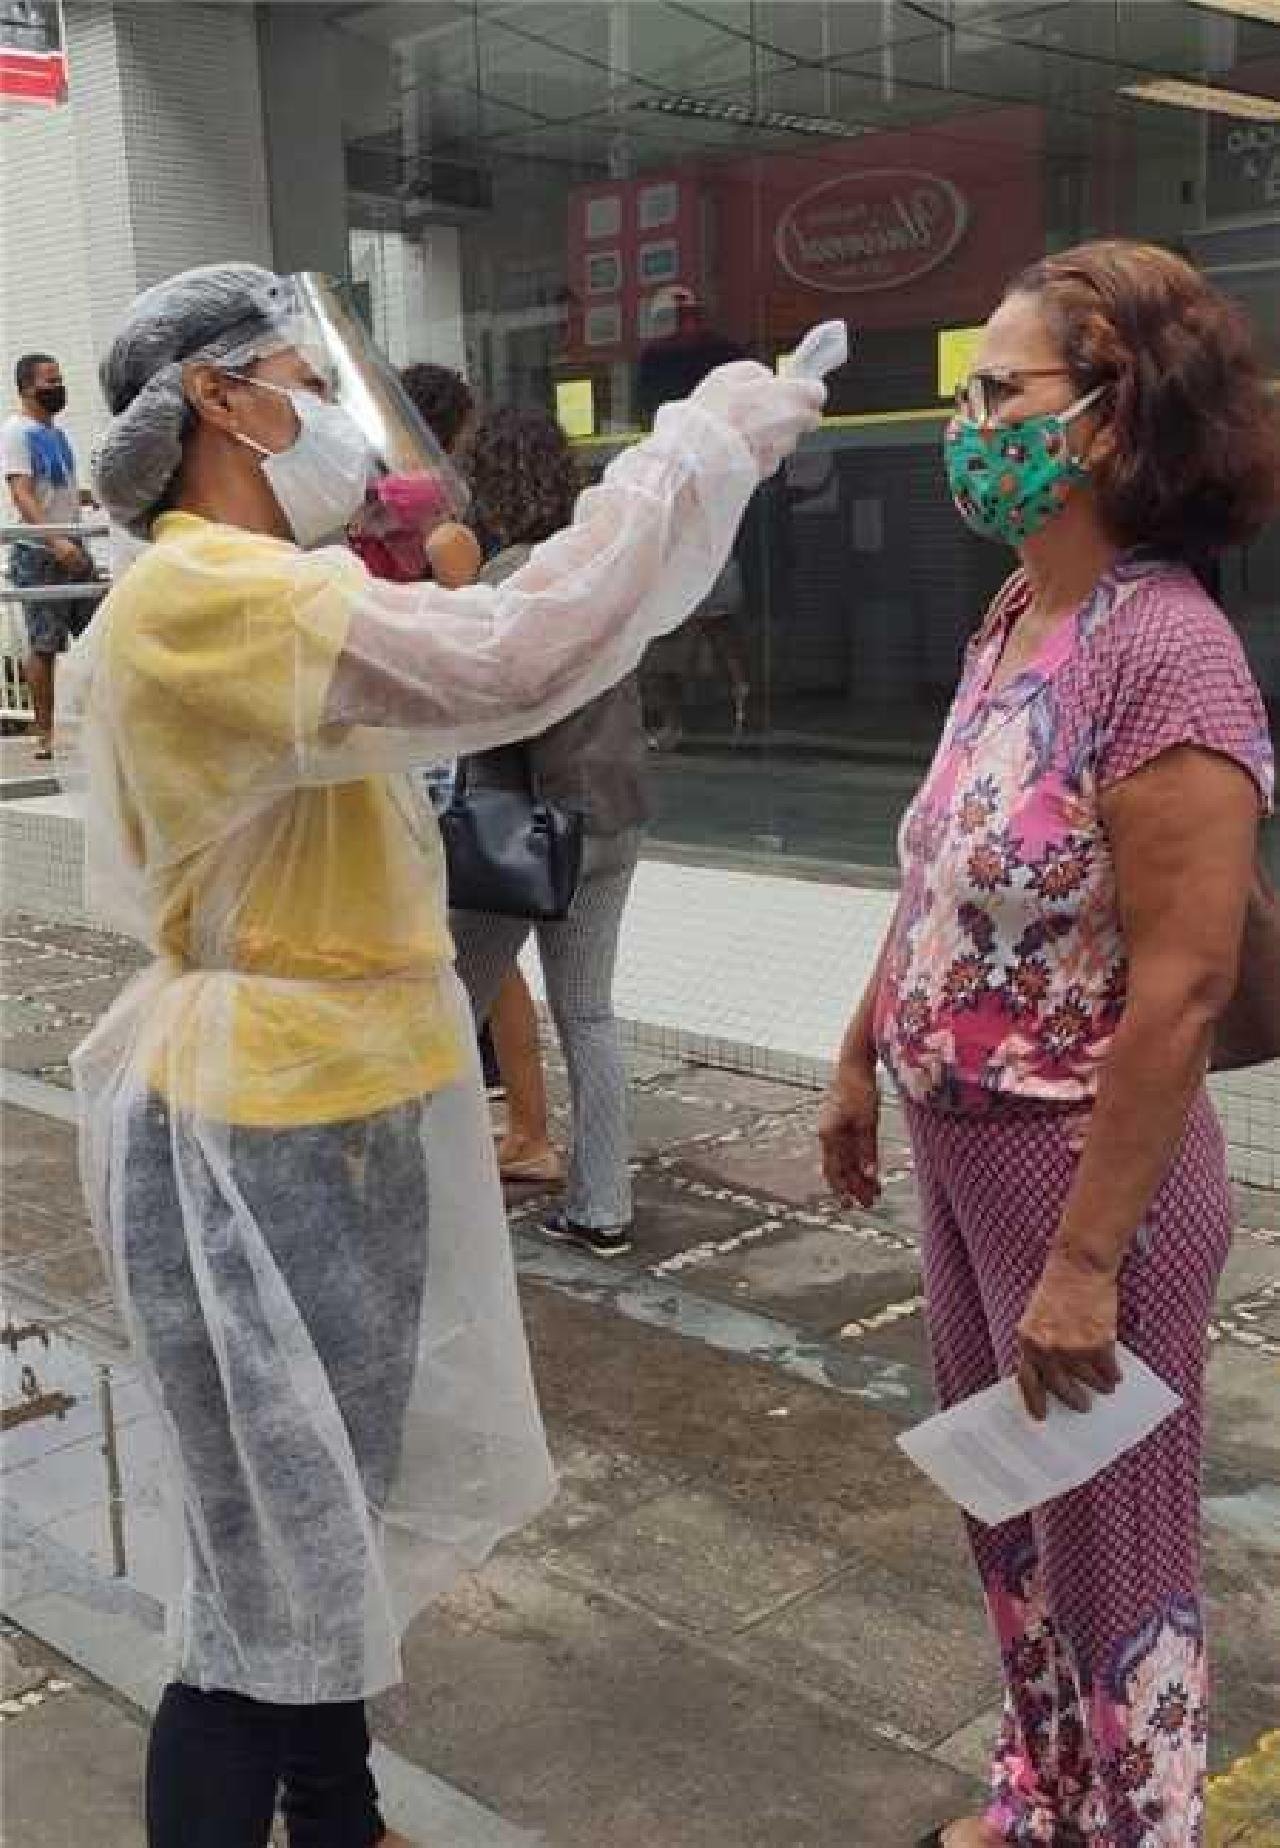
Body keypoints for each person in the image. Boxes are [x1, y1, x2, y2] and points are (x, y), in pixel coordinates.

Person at [65, 260, 823, 1847]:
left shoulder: (272, 584)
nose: (331, 412)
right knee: (256, 1574)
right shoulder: (208, 591)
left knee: (315, 1524)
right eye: (296, 374)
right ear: (216, 397)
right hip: (255, 1124)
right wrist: (695, 453)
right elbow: (513, 656)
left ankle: (342, 1818)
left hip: (330, 1100)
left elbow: (470, 646)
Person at [819, 241, 1277, 1848]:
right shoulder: (1020, 608)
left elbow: (1187, 984)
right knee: (1009, 1511)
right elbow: (948, 853)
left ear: (1104, 417)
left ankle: (1136, 1823)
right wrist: (863, 1038)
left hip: (1092, 1186)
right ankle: (1043, 1795)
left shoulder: (1167, 653)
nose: (966, 420)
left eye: (995, 390)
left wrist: (1087, 1263)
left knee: (1118, 1553)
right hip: (963, 1156)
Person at [449, 408, 653, 1242]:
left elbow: (492, 711)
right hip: (613, 813)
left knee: (444, 1006)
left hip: (522, 826)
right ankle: (604, 1207)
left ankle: (421, 1189)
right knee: (589, 1015)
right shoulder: (600, 567)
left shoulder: (506, 579)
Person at [2, 352, 100, 756]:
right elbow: (22, 494)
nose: (58, 387)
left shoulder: (56, 433)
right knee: (46, 645)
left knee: (99, 633)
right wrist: (55, 540)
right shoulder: (17, 432)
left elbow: (53, 489)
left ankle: (103, 726)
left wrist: (90, 497)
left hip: (74, 546)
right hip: (41, 551)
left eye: (59, 379)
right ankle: (46, 734)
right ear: (26, 387)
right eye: (49, 381)